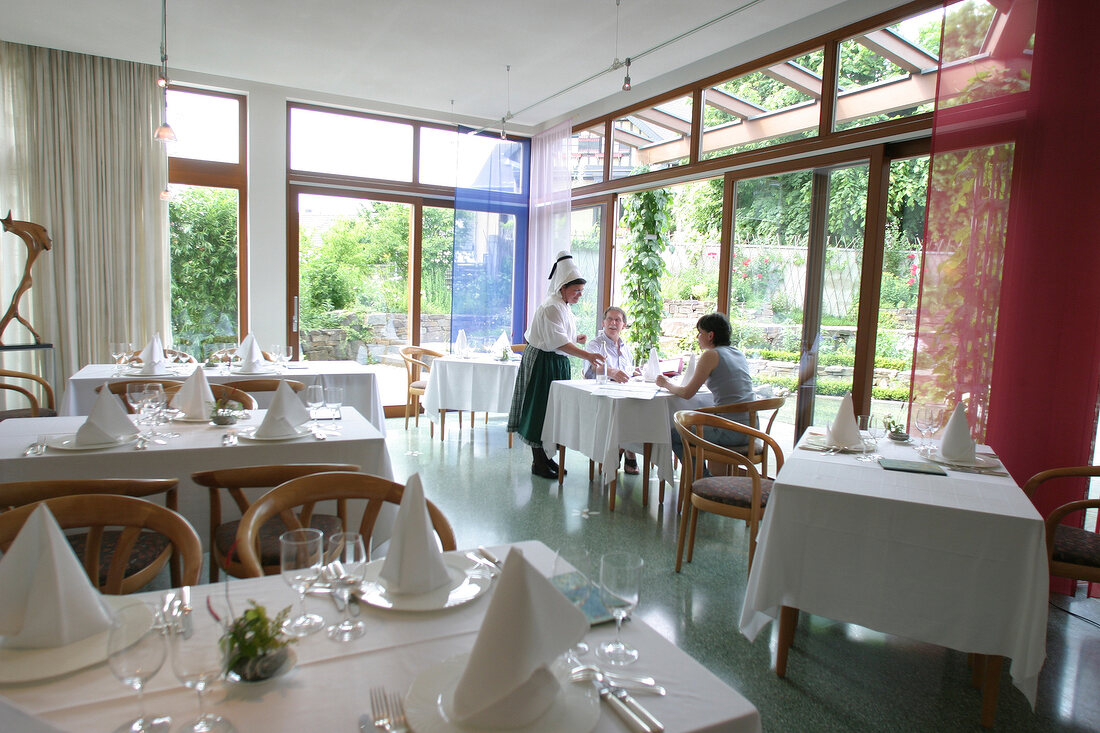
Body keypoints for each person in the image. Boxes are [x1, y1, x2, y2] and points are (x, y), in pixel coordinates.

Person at [508, 251, 605, 478]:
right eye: (576, 291)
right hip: (543, 362)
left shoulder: (563, 305)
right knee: (540, 410)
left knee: (553, 411)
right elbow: (558, 342)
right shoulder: (551, 306)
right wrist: (588, 356)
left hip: (555, 362)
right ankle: (538, 462)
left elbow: (561, 336)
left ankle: (547, 458)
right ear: (562, 287)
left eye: (581, 291)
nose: (579, 295)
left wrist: (575, 339)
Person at [655, 312, 755, 459]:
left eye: (700, 333)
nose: (697, 338)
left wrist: (666, 383)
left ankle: (700, 479)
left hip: (731, 430)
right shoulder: (737, 353)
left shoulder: (711, 355)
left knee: (674, 434)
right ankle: (704, 477)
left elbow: (687, 393)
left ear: (710, 335)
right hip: (752, 429)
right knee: (696, 423)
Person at [584, 306, 641, 474]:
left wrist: (635, 371)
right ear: (603, 323)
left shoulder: (625, 347)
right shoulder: (595, 344)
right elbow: (594, 369)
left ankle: (624, 448)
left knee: (639, 408)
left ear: (623, 325)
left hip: (624, 395)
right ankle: (626, 450)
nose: (613, 323)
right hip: (603, 397)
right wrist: (613, 372)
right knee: (625, 413)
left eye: (618, 320)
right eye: (610, 319)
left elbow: (629, 370)